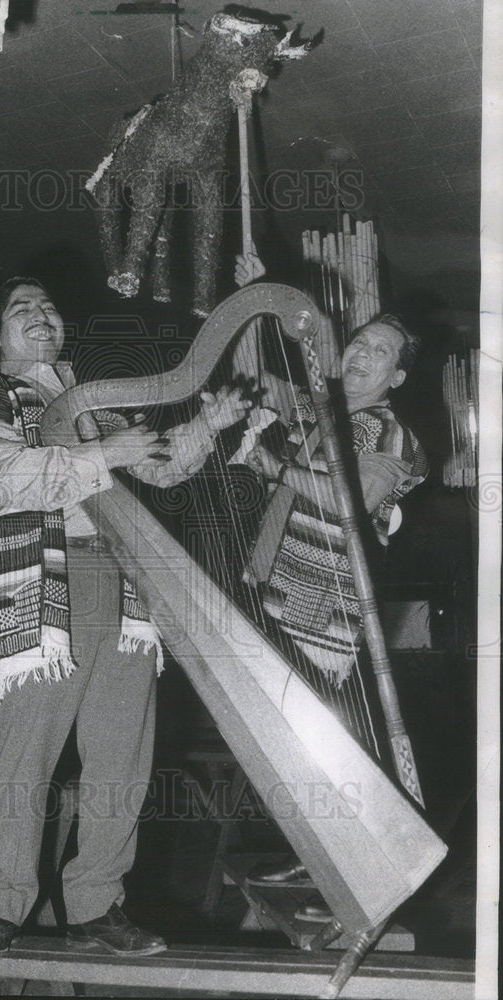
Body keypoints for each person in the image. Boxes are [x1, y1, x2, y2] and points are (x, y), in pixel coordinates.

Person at [0, 276, 248, 957]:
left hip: (126, 579)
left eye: (49, 305)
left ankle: (96, 906)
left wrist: (207, 424)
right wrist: (107, 455)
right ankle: (2, 907)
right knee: (26, 756)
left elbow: (159, 468)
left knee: (122, 760)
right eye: (21, 308)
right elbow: (9, 476)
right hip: (46, 579)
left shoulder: (92, 399)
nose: (41, 315)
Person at [230, 252, 429, 891]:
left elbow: (353, 502)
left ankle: (343, 862)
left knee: (317, 737)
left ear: (396, 377)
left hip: (325, 604)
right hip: (278, 588)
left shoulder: (386, 430)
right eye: (360, 342)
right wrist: (256, 299)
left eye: (379, 353)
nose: (362, 354)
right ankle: (320, 858)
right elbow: (251, 374)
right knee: (290, 737)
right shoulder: (321, 413)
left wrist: (274, 468)